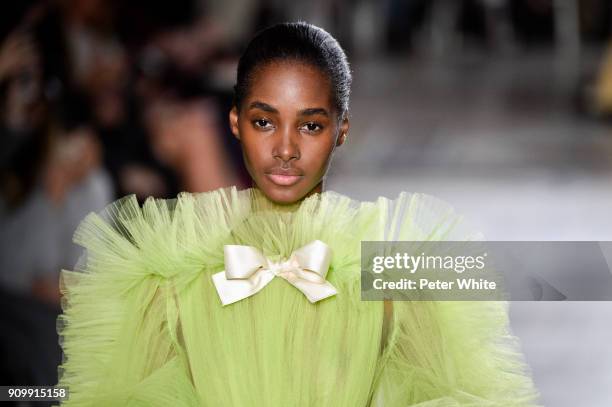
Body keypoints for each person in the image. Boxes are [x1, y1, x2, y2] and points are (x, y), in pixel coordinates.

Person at [57, 22, 541, 406]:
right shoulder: (161, 280)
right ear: (235, 123)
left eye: (310, 125)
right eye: (264, 122)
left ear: (342, 130)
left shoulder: (395, 277)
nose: (285, 148)